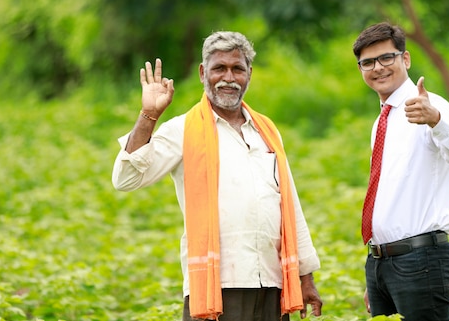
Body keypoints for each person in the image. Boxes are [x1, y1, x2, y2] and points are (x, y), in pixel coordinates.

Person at [111, 31, 322, 321]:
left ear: (249, 74)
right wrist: (148, 115)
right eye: (219, 68)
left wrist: (305, 276)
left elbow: (289, 204)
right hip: (218, 289)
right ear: (202, 73)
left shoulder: (267, 131)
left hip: (273, 285)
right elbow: (125, 179)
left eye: (238, 68)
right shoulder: (183, 128)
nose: (228, 77)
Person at [352, 22, 449, 320]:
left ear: (405, 59)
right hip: (382, 262)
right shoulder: (382, 119)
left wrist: (436, 120)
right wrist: (377, 272)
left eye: (386, 58)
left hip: (420, 260)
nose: (378, 68)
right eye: (368, 62)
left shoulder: (430, 106)